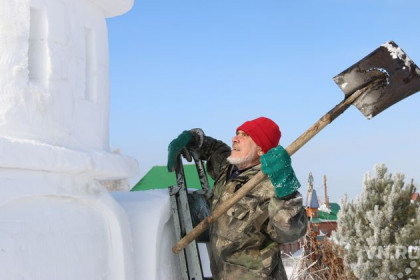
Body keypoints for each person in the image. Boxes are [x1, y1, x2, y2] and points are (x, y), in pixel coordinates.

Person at [167, 117, 308, 280]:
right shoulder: (227, 168)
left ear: (261, 150)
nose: (235, 138)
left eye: (245, 135)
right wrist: (191, 139)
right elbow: (213, 148)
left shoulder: (269, 186)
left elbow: (290, 232)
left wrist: (286, 191)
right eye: (237, 133)